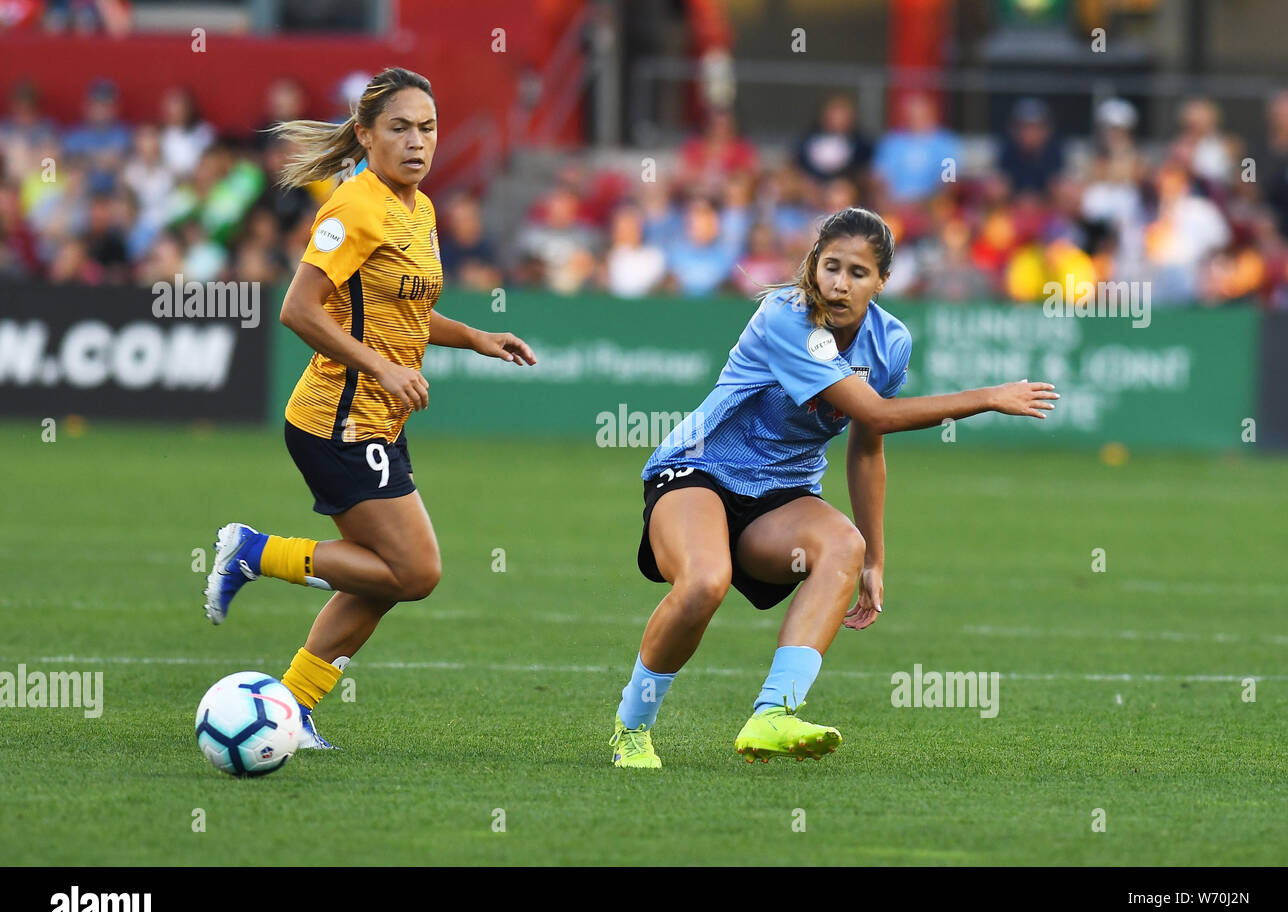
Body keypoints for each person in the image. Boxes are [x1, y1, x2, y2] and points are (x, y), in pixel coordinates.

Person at [608, 207, 1058, 768]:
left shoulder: (890, 343)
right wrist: (989, 396)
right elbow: (878, 412)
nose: (840, 284)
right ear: (813, 266)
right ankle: (633, 727)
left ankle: (773, 716)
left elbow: (868, 445)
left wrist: (876, 559)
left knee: (846, 546)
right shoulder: (786, 315)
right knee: (705, 583)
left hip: (781, 495)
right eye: (831, 267)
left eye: (858, 273)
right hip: (698, 472)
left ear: (883, 282)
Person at [202, 67, 536, 750]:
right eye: (400, 127)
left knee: (382, 575)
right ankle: (253, 551)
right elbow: (299, 309)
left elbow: (403, 306)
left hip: (380, 420)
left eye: (428, 127)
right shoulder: (354, 206)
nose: (418, 142)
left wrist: (473, 336)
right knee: (415, 571)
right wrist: (383, 366)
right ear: (365, 134)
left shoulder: (420, 207)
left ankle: (292, 709)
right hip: (338, 421)